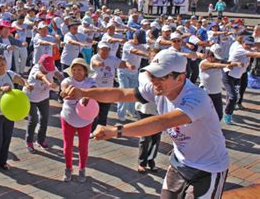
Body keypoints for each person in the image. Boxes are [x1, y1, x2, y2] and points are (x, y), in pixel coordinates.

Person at [63, 50, 229, 198]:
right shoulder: (158, 88)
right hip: (180, 162)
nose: (154, 80)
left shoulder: (196, 99)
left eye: (160, 76)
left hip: (209, 168)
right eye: (152, 75)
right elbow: (121, 94)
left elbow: (161, 123)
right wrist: (84, 92)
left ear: (180, 78)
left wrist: (115, 131)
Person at [0, 55, 32, 171]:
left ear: (6, 65)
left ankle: (3, 161)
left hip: (8, 114)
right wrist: (1, 88)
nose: (0, 67)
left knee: (7, 138)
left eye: (2, 64)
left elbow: (20, 80)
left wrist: (26, 84)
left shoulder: (9, 74)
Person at [60, 58, 97, 183]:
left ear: (85, 71)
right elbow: (64, 89)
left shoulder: (90, 81)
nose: (76, 72)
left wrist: (87, 95)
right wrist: (65, 93)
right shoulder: (67, 80)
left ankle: (82, 169)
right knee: (67, 146)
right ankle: (68, 168)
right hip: (68, 118)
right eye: (74, 70)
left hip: (85, 120)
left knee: (83, 147)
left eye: (80, 69)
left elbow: (93, 91)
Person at [24, 54, 62, 153]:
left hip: (44, 98)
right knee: (33, 120)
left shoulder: (52, 67)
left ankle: (40, 140)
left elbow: (58, 74)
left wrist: (66, 80)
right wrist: (49, 83)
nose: (48, 70)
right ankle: (29, 142)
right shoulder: (35, 69)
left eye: (50, 68)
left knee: (44, 118)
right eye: (46, 68)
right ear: (40, 64)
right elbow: (41, 76)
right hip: (30, 98)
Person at [222, 36, 260, 124]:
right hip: (228, 75)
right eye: (246, 44)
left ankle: (228, 108)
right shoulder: (240, 50)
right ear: (242, 43)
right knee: (233, 97)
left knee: (233, 96)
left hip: (238, 76)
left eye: (250, 45)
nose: (248, 46)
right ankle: (227, 114)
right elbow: (255, 54)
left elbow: (256, 45)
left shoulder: (246, 47)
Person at [200, 44, 236, 121]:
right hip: (206, 93)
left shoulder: (219, 62)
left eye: (217, 57)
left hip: (217, 93)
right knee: (205, 115)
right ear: (209, 54)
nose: (216, 59)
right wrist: (225, 65)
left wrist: (237, 64)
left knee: (219, 116)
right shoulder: (203, 63)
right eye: (215, 57)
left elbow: (227, 63)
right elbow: (214, 65)